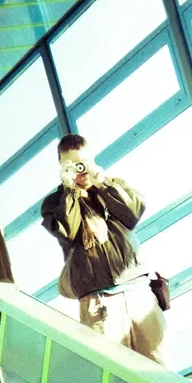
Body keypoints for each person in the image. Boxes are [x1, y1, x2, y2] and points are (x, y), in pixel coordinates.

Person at [41, 133, 167, 363]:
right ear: (61, 166)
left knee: (160, 368)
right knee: (116, 375)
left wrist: (102, 183)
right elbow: (68, 230)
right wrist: (70, 191)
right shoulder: (55, 203)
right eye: (72, 165)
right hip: (97, 302)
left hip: (136, 289)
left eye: (83, 162)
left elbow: (133, 213)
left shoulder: (112, 185)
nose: (80, 170)